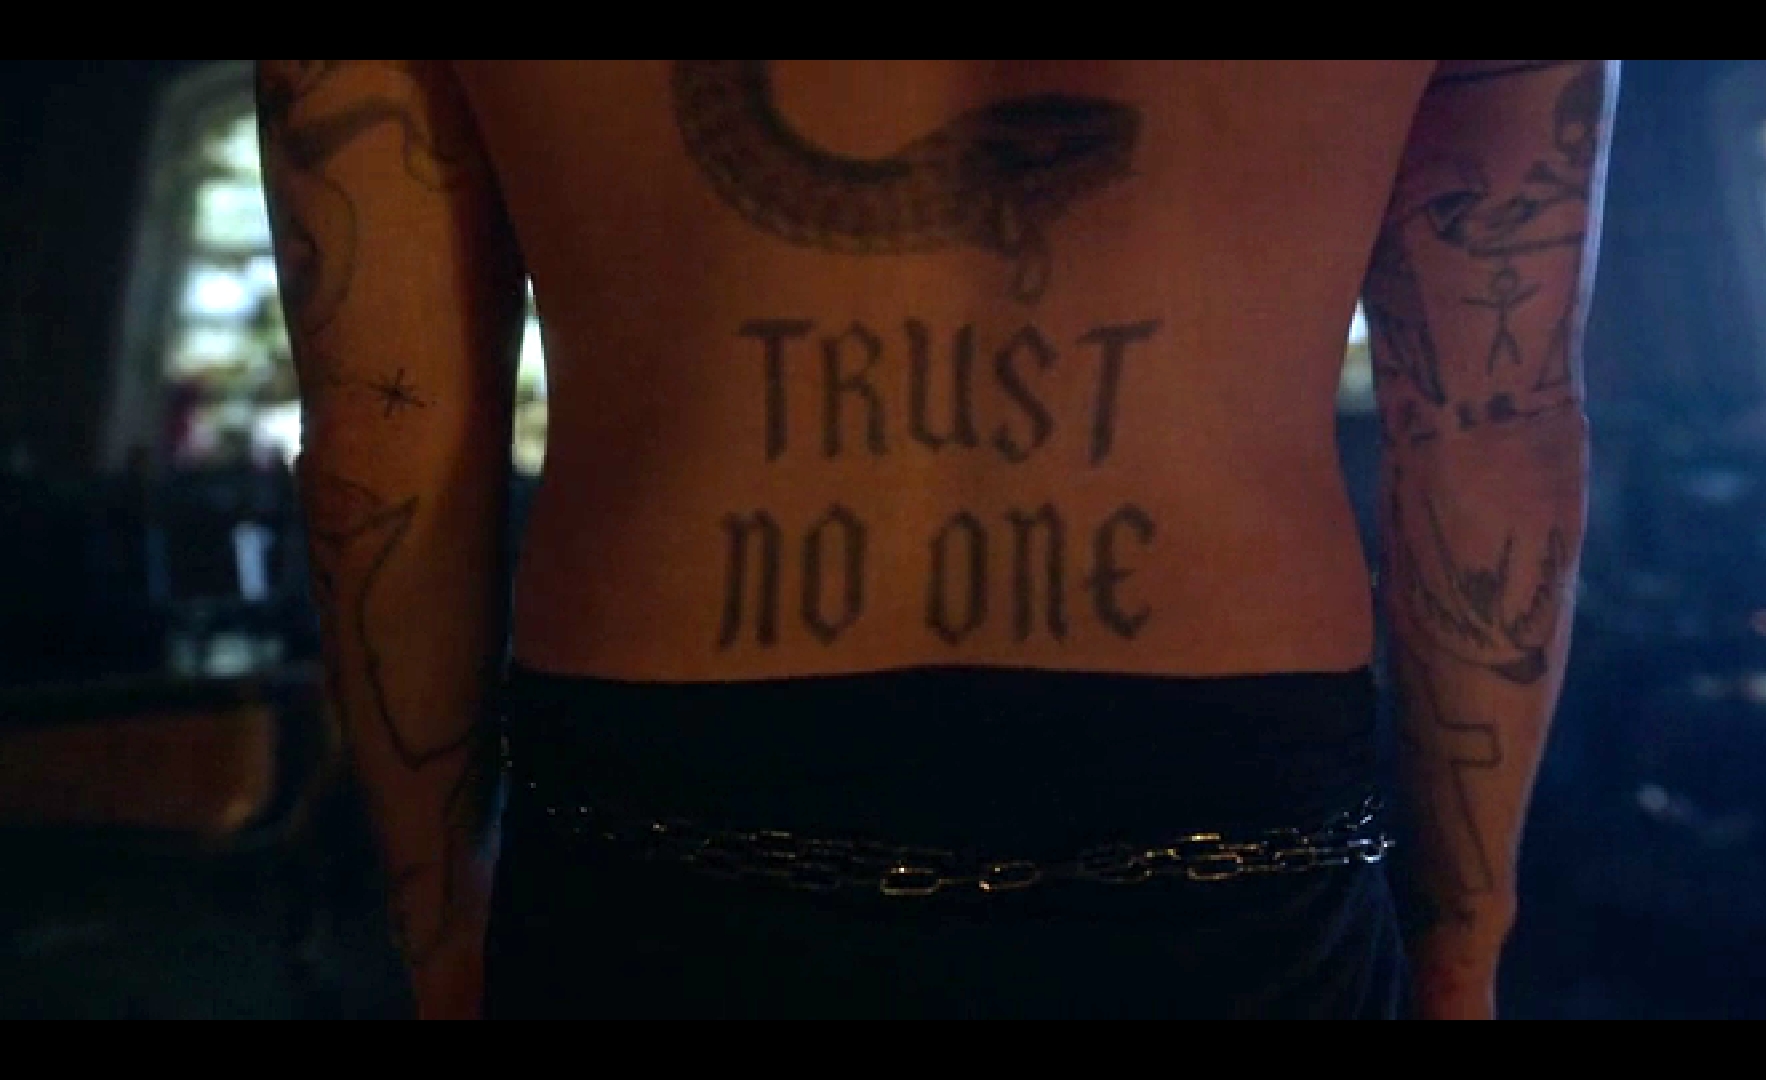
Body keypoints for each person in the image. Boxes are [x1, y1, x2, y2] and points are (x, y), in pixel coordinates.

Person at [259, 59, 1616, 1019]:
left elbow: (389, 433)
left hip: (656, 812)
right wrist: (1465, 938)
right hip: (1239, 819)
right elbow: (1495, 427)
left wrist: (438, 920)